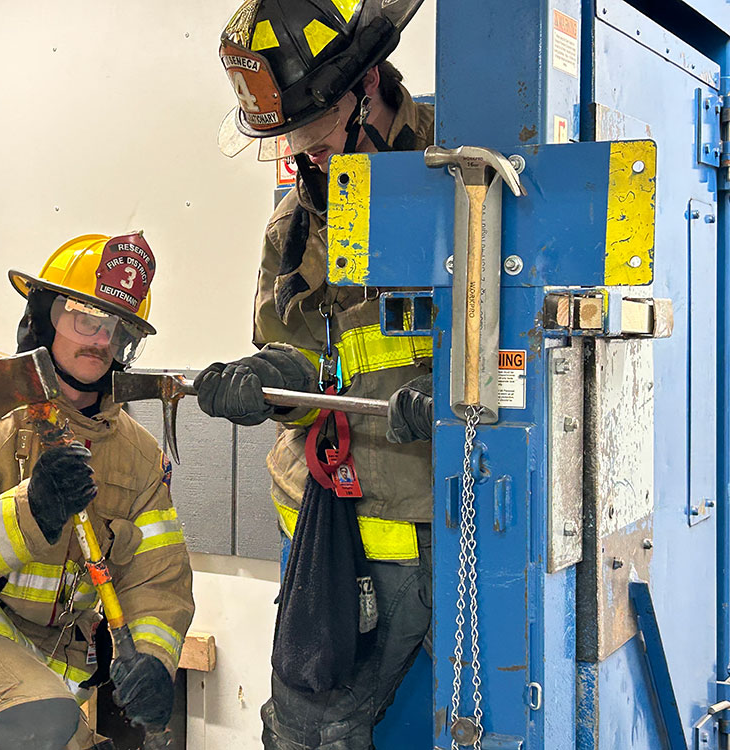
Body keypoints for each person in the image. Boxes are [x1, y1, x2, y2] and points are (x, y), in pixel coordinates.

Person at [197, 0, 435, 746]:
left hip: (419, 521)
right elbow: (293, 351)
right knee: (307, 727)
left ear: (367, 86)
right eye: (288, 137)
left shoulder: (456, 175)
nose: (303, 153)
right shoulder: (294, 220)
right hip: (317, 522)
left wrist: (455, 396)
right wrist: (269, 380)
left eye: (312, 129)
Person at [0, 232, 194, 750]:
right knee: (40, 727)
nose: (99, 339)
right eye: (84, 318)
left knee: (58, 731)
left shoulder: (138, 457)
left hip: (43, 675)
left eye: (115, 328)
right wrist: (33, 511)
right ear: (44, 315)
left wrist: (155, 662)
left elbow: (160, 579)